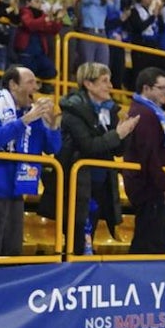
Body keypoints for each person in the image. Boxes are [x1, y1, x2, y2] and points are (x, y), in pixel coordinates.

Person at [47, 62, 139, 254]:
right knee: (77, 238)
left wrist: (126, 132)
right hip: (78, 184)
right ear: (88, 84)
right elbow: (88, 146)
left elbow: (117, 151)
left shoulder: (109, 110)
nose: (111, 86)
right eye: (104, 81)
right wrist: (118, 134)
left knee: (91, 235)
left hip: (101, 183)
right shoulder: (72, 112)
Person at [0, 66, 61, 257]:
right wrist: (26, 120)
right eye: (30, 82)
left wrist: (53, 124)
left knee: (13, 253)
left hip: (19, 191)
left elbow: (53, 148)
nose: (36, 87)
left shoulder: (32, 111)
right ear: (13, 85)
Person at [123, 68, 165, 255]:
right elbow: (148, 153)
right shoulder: (145, 114)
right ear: (146, 88)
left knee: (156, 235)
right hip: (150, 188)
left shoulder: (156, 114)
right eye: (161, 88)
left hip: (153, 187)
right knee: (151, 241)